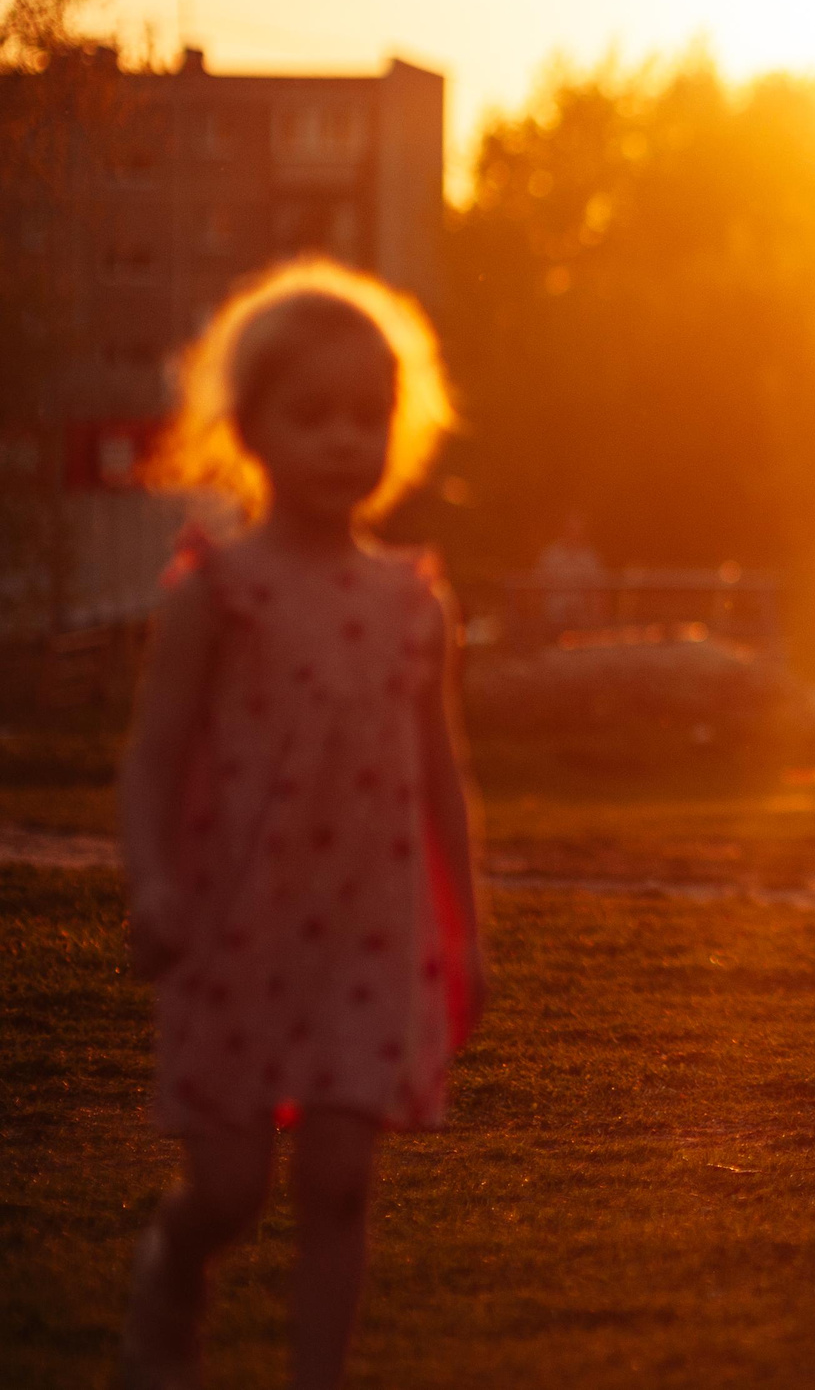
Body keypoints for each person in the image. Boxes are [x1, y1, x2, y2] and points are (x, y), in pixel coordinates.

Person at [117, 258, 485, 1390]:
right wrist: (154, 884)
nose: (343, 441)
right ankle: (174, 1264)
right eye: (312, 415)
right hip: (236, 927)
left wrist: (465, 931)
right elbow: (155, 758)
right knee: (229, 1187)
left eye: (366, 418)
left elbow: (439, 773)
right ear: (251, 427)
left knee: (339, 1181)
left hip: (366, 940)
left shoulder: (411, 600)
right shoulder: (215, 590)